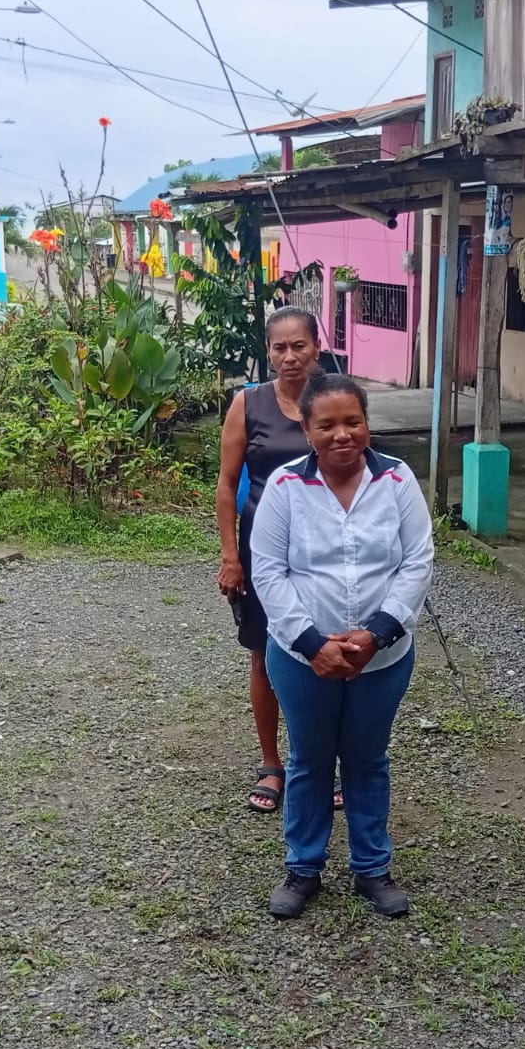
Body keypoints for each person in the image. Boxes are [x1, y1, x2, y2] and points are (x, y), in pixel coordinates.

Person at [251, 373, 434, 919]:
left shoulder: (397, 479)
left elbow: (417, 561)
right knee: (308, 759)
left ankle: (371, 868)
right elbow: (268, 571)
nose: (342, 434)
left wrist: (377, 633)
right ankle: (303, 868)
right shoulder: (285, 486)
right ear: (306, 430)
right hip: (300, 657)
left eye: (353, 421)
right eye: (326, 425)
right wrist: (313, 644)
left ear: (367, 423)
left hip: (383, 656)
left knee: (367, 758)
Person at [214, 307, 323, 814]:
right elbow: (225, 485)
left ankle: (321, 762)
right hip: (264, 551)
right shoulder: (248, 403)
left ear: (316, 347)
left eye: (299, 345)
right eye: (280, 347)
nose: (289, 356)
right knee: (264, 653)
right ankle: (271, 763)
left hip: (326, 550)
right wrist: (230, 556)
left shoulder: (333, 396)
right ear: (268, 351)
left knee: (324, 652)